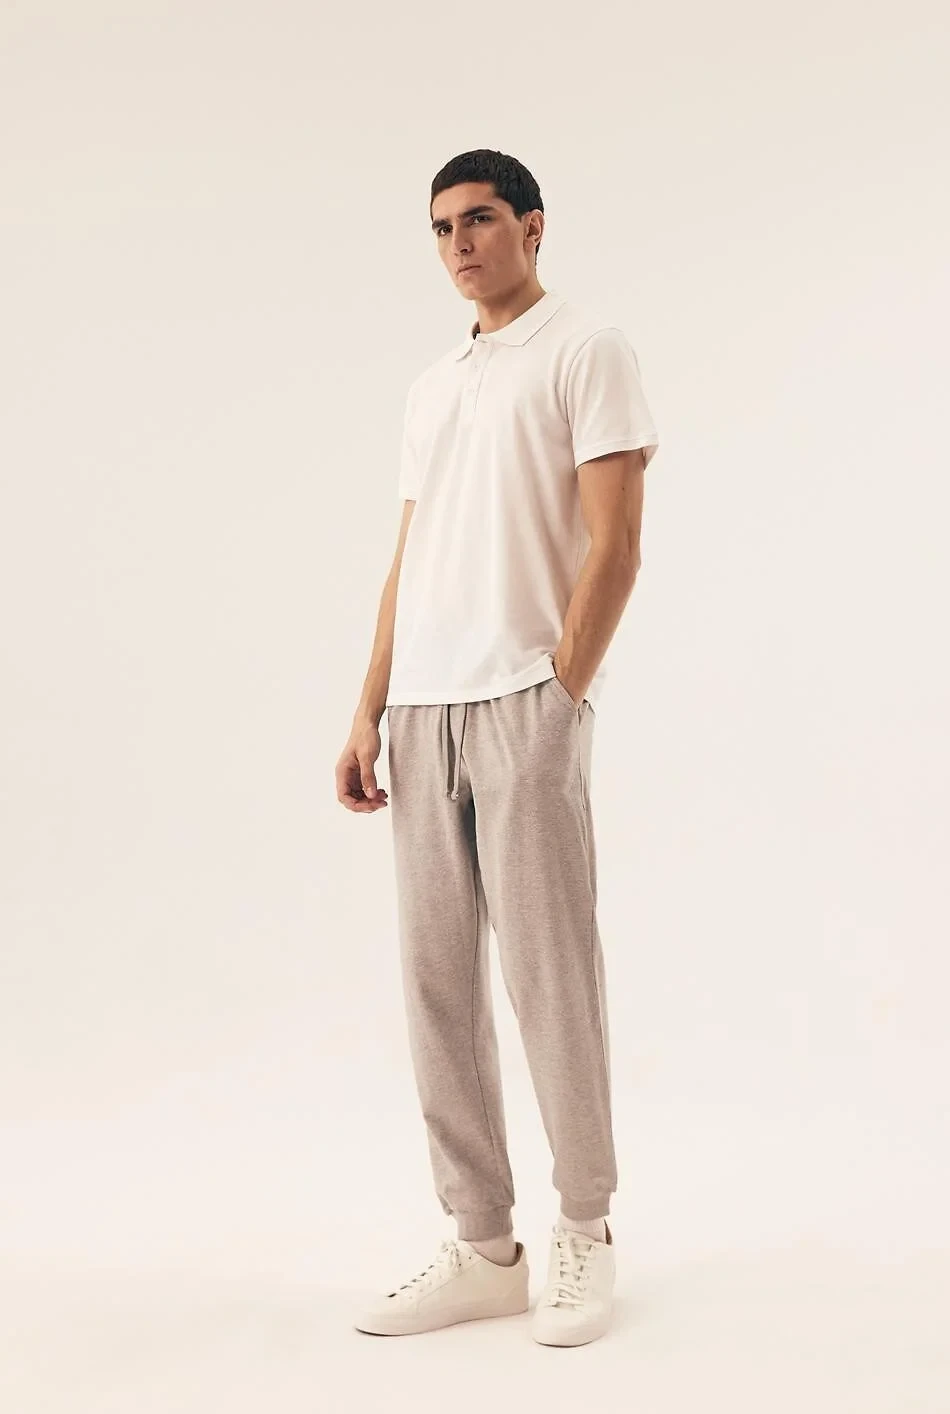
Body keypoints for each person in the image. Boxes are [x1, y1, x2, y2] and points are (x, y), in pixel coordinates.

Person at [335, 148, 659, 1347]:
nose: (458, 244)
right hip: (422, 709)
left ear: (531, 225)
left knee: (546, 972)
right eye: (439, 228)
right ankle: (481, 1242)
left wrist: (562, 691)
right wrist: (368, 706)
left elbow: (615, 543)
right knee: (436, 984)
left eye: (477, 220)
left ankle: (583, 1227)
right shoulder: (434, 386)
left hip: (524, 696)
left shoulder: (585, 349)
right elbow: (408, 556)